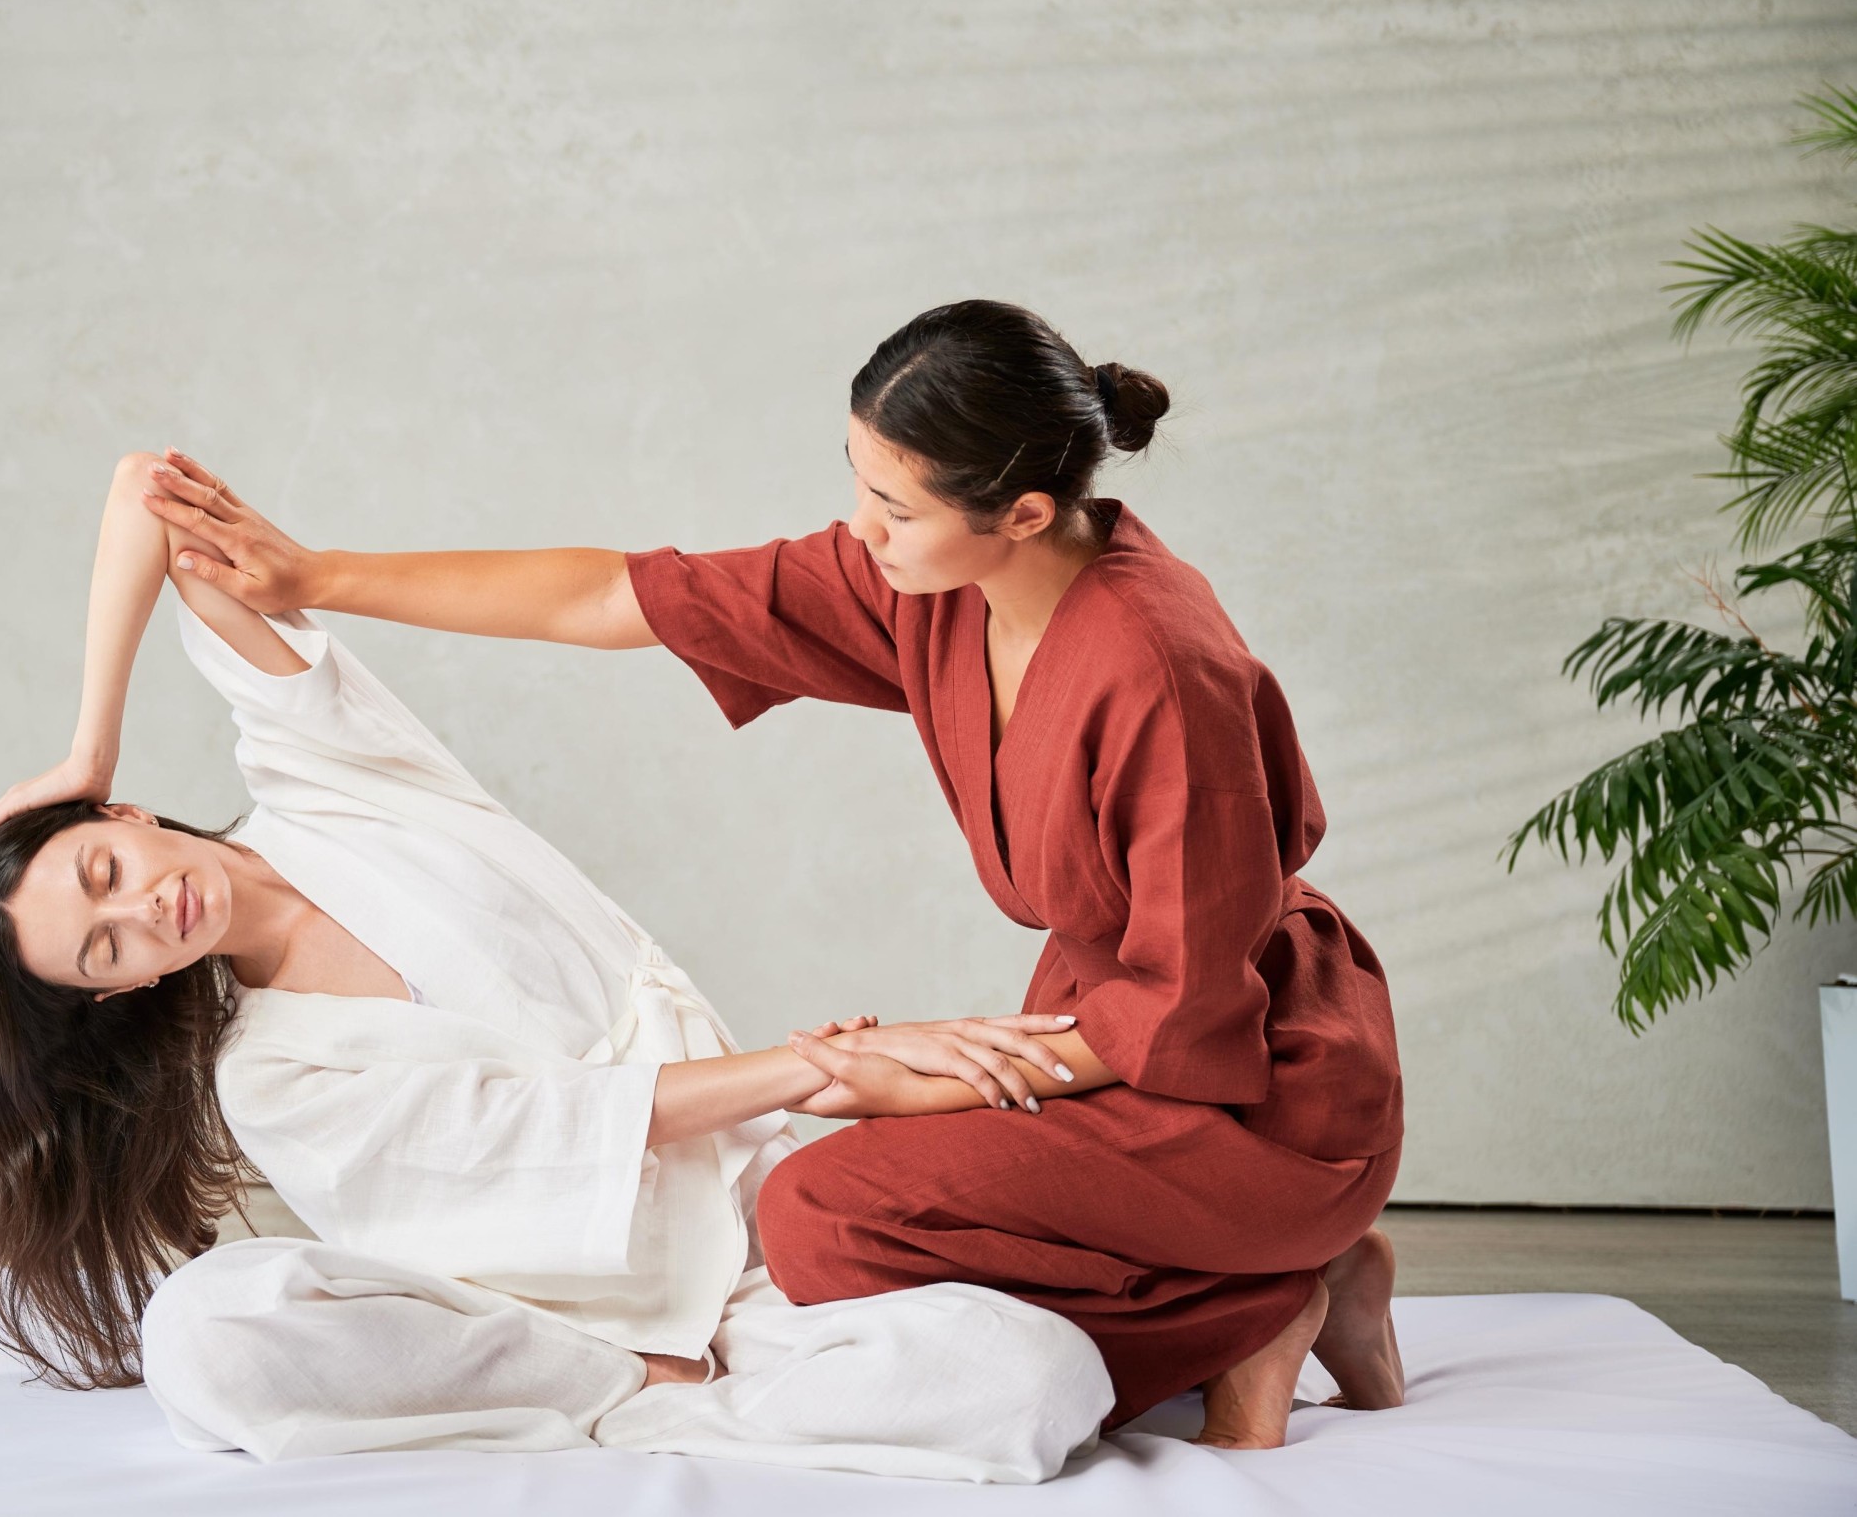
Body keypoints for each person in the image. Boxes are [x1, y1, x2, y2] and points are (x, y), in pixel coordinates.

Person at [128, 298, 1409, 1450]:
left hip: (1248, 1084)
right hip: (1098, 1034)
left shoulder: (1160, 673)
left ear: (1021, 513)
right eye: (858, 484)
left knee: (825, 1224)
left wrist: (921, 1081)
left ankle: (1262, 1300)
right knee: (839, 1225)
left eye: (894, 507)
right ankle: (1279, 1286)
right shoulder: (934, 582)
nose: (862, 528)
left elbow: (1191, 1004)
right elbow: (623, 597)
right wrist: (316, 576)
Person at [0, 451, 1114, 1482]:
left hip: (743, 1238)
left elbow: (150, 491)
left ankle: (680, 1391)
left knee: (1036, 1378)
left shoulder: (317, 774)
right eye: (107, 947)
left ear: (122, 812)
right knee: (208, 1332)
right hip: (536, 1322)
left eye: (102, 869)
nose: (142, 909)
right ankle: (623, 1387)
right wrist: (818, 1064)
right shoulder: (271, 1073)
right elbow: (552, 1127)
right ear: (119, 989)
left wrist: (85, 743)